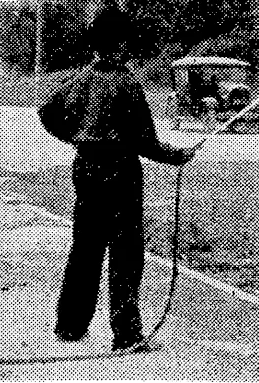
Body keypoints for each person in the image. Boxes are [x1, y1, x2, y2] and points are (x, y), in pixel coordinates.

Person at [51, 18, 196, 352]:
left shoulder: (80, 78)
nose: (129, 50)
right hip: (120, 174)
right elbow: (145, 140)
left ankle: (70, 325)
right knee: (126, 254)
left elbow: (48, 114)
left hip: (86, 170)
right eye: (125, 44)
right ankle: (127, 335)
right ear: (118, 46)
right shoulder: (127, 83)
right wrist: (178, 155)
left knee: (85, 249)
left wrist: (76, 138)